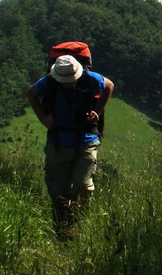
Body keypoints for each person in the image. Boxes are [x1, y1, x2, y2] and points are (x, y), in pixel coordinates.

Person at [26, 53, 114, 240]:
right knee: (58, 192)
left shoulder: (89, 79)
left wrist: (97, 112)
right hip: (59, 141)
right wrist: (44, 119)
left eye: (70, 80)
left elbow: (109, 86)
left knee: (82, 187)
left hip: (86, 139)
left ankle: (79, 227)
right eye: (65, 81)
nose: (68, 84)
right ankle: (62, 233)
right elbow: (31, 93)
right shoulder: (48, 83)